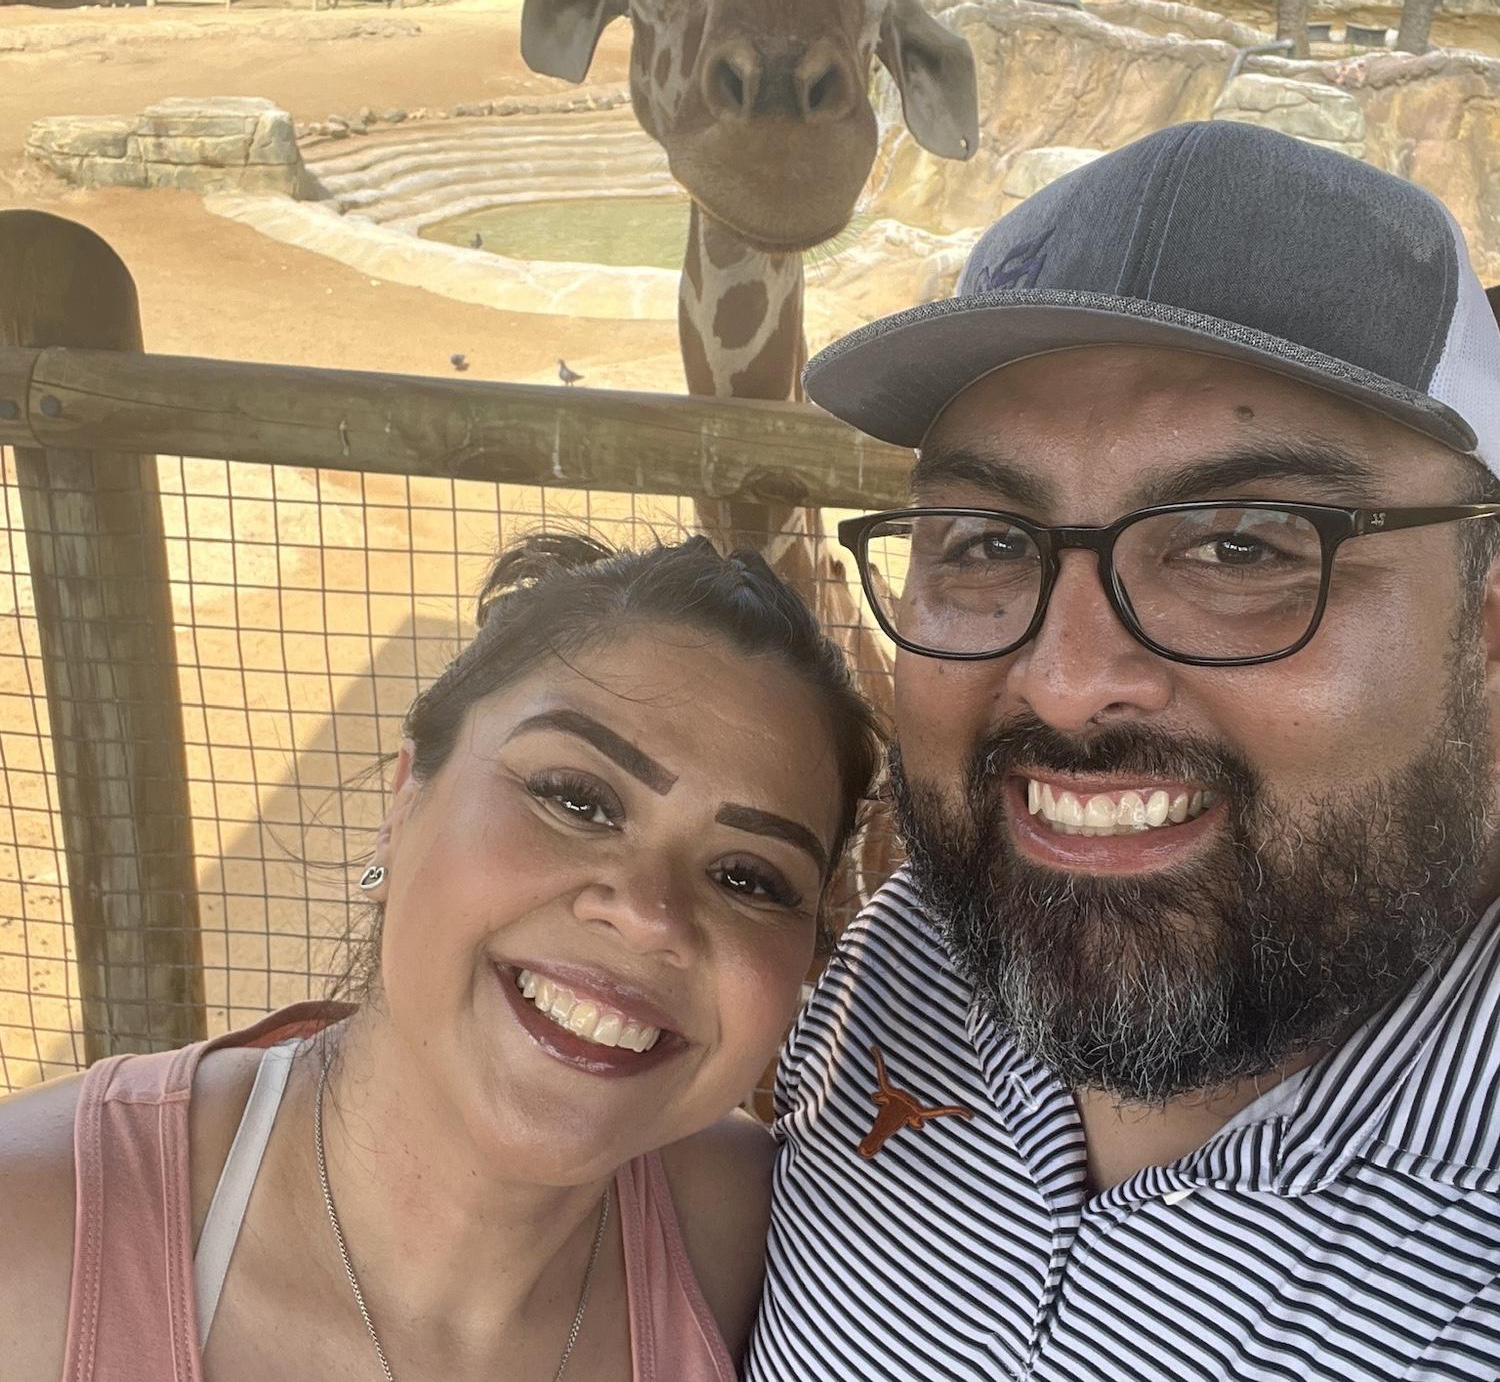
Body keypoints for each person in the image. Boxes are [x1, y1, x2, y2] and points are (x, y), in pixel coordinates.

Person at [746, 120, 1500, 1379]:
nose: (1067, 682)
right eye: (985, 543)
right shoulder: (921, 947)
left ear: (1484, 635)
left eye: (1241, 548)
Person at [0, 532, 881, 1382]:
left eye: (748, 878)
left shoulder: (779, 1236)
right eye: (577, 799)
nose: (651, 916)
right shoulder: (33, 1238)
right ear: (404, 802)